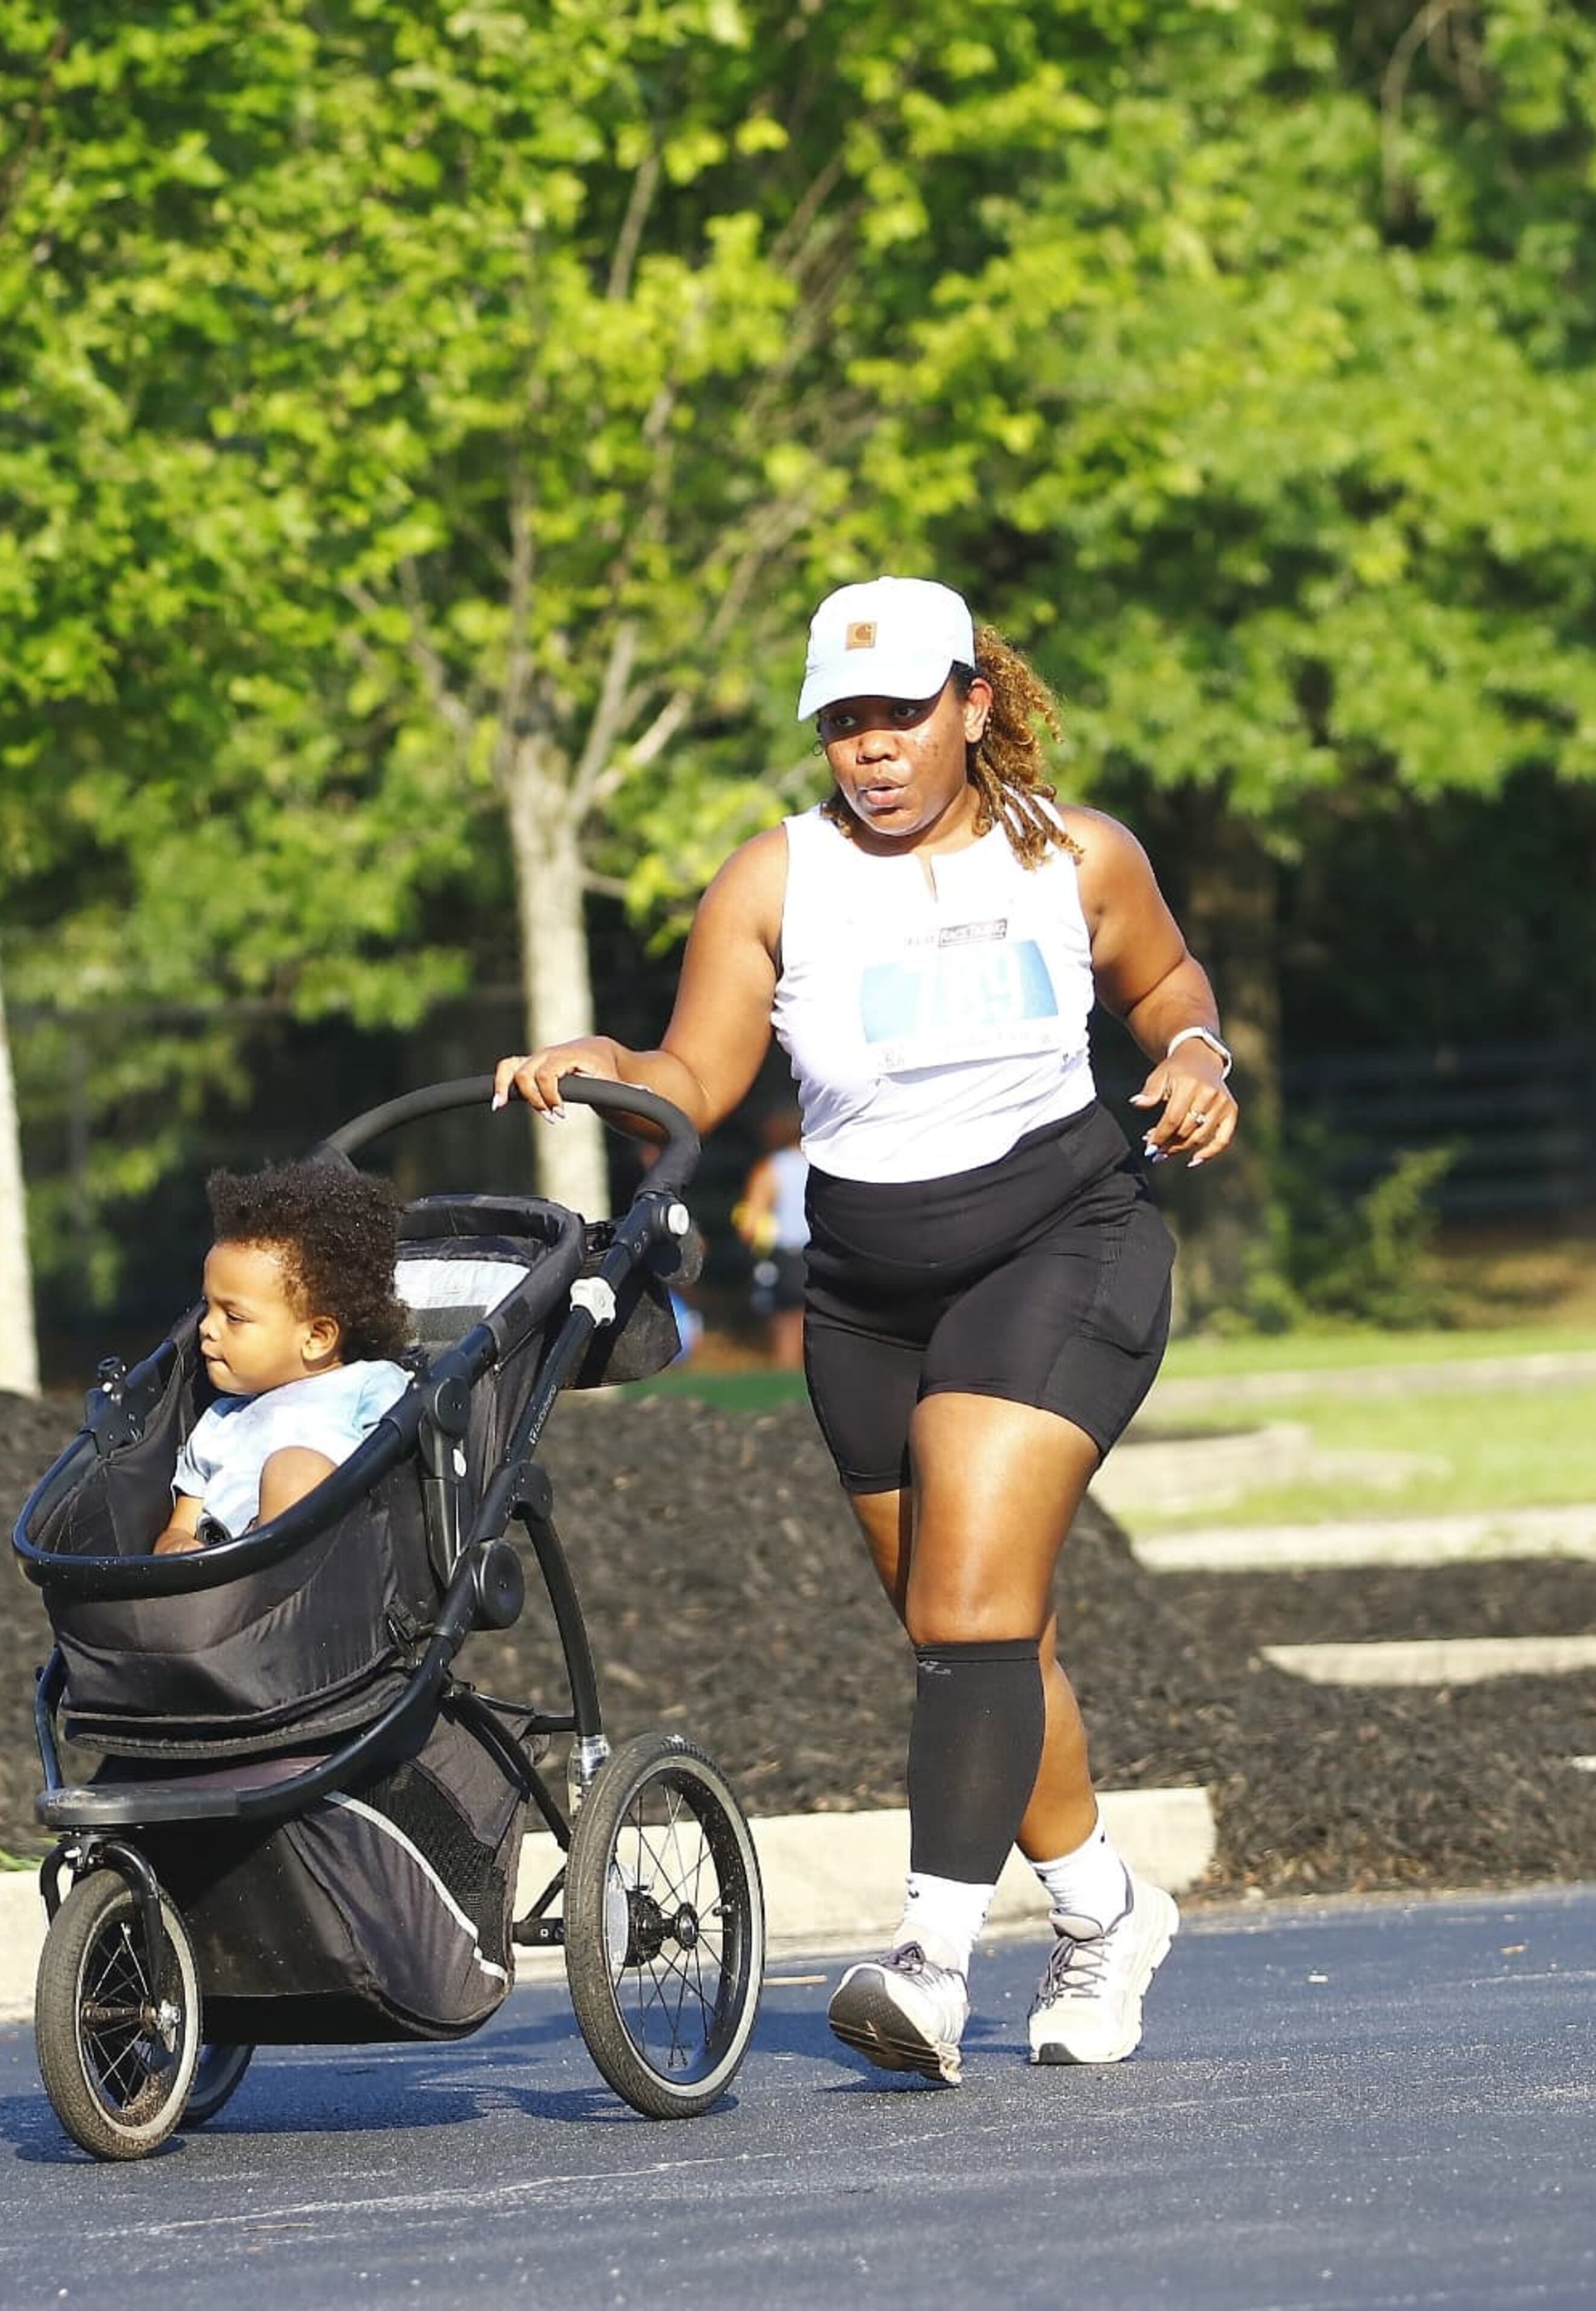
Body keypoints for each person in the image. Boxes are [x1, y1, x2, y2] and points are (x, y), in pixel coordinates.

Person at [492, 573, 1237, 2086]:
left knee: (969, 1612)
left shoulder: (1074, 855)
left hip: (1061, 1246)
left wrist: (1200, 1052)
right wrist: (605, 1065)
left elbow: (1163, 984)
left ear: (973, 705)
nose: (871, 748)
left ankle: (929, 1960)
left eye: (899, 713)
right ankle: (1103, 1911)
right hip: (866, 1289)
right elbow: (692, 1074)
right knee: (975, 1630)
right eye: (843, 721)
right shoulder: (773, 881)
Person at [153, 1160, 416, 1554]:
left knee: (293, 1471)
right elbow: (180, 1527)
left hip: (324, 1576)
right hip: (222, 1588)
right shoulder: (219, 1423)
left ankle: (263, 1557)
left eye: (234, 1317)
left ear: (316, 1336)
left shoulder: (369, 1384)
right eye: (207, 1308)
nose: (207, 1328)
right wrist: (175, 1546)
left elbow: (406, 1475)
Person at [734, 1109, 812, 1369]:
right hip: (822, 1251)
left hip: (788, 1256)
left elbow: (751, 1223)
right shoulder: (822, 1162)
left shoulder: (770, 1169)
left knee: (787, 1325)